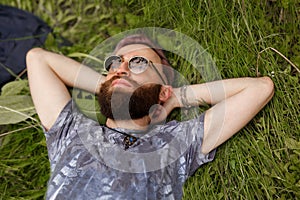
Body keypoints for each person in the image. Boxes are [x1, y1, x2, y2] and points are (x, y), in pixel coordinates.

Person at [26, 34, 274, 199]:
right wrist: (112, 83)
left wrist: (176, 97)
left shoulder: (174, 143)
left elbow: (259, 89)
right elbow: (37, 58)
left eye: (139, 63)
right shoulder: (71, 132)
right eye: (115, 63)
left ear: (163, 89)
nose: (121, 68)